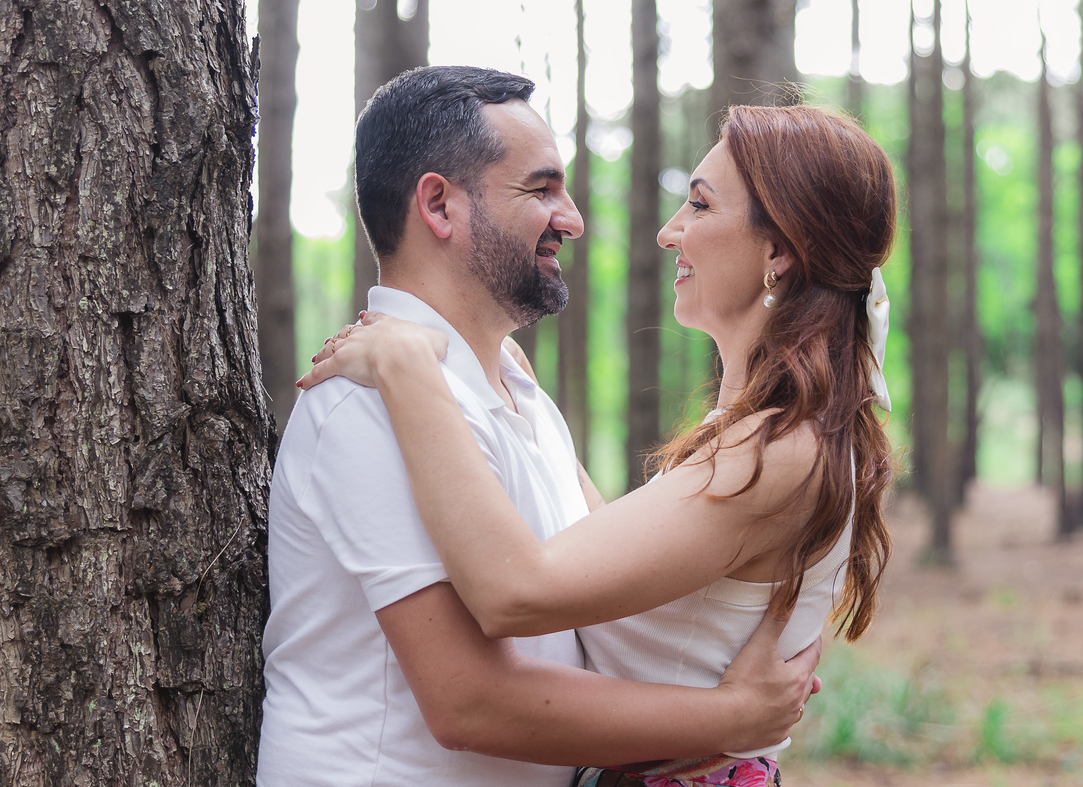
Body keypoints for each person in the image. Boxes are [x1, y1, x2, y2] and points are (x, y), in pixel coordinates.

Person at [301, 101, 898, 787]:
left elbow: (514, 592)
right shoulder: (768, 430)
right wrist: (515, 388)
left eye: (700, 207)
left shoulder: (777, 451)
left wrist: (409, 371)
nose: (670, 232)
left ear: (779, 251)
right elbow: (598, 540)